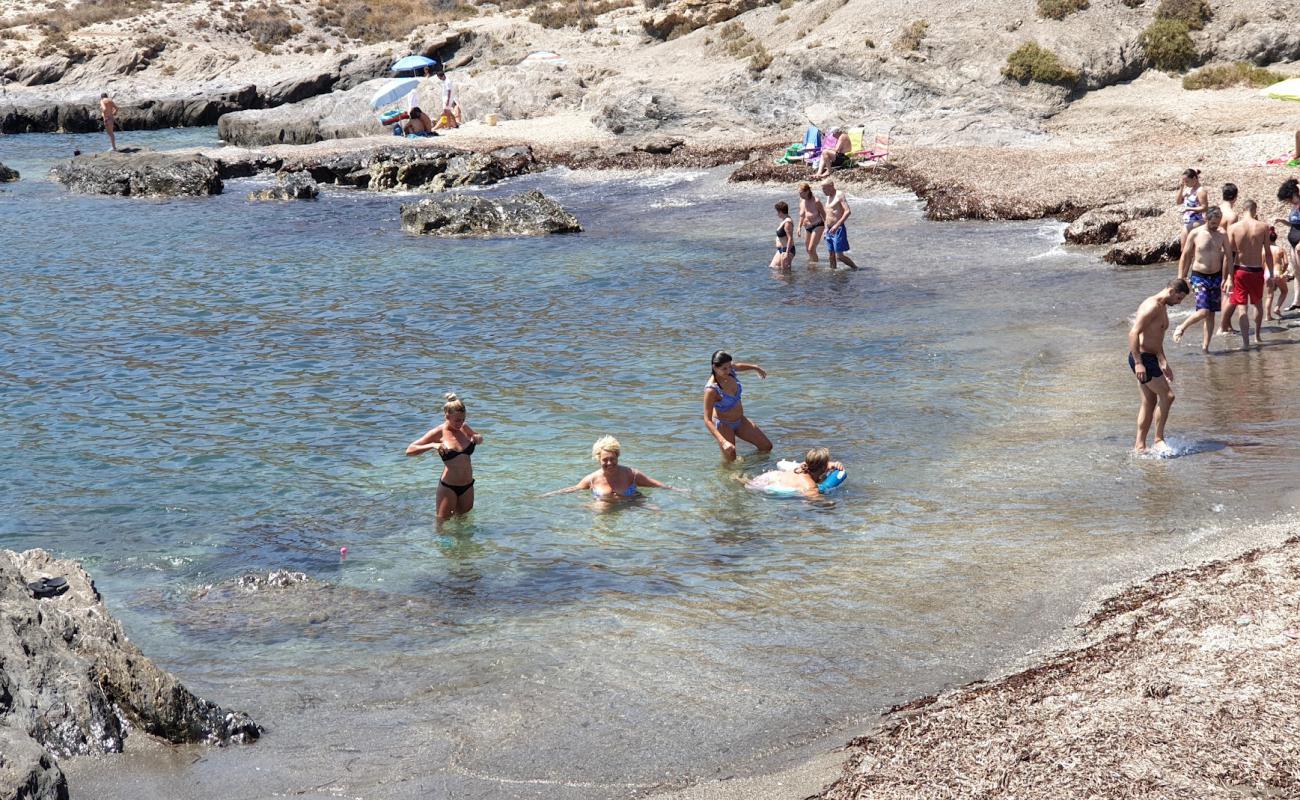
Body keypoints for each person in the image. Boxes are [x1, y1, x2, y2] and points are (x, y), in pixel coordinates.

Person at [1128, 278, 1189, 454]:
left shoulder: (1162, 307)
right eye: (1179, 299)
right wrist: (1139, 363)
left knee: (1149, 401)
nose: (1178, 303)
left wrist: (1163, 361)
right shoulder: (1152, 306)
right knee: (1168, 396)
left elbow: (1155, 338)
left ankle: (1140, 447)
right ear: (1171, 291)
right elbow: (1133, 333)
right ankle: (1158, 439)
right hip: (1143, 359)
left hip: (1151, 358)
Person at [405, 393, 483, 522]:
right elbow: (409, 450)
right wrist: (432, 445)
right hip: (449, 487)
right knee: (442, 524)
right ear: (447, 416)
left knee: (464, 522)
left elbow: (477, 437)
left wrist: (479, 438)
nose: (461, 423)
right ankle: (442, 543)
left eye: (463, 419)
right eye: (457, 420)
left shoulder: (464, 427)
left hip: (468, 485)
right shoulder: (439, 432)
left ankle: (463, 543)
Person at [542, 436, 681, 501]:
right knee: (600, 510)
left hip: (633, 504)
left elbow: (655, 484)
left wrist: (678, 490)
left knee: (657, 511)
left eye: (612, 459)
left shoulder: (632, 475)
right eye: (605, 460)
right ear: (598, 459)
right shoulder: (592, 480)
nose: (609, 463)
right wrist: (548, 495)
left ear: (618, 456)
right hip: (604, 509)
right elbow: (573, 489)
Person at [1173, 206, 1227, 353]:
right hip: (1199, 276)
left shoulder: (1222, 234)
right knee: (1203, 311)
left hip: (1216, 277)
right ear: (1206, 219)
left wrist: (1228, 278)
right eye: (1213, 223)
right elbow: (1185, 256)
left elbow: (1228, 256)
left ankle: (1205, 348)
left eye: (1218, 222)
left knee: (1211, 314)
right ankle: (1181, 327)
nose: (1216, 226)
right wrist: (1181, 277)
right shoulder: (1196, 233)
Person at [1224, 198, 1275, 349]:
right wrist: (1270, 275)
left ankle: (1246, 343)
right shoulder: (1264, 227)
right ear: (1255, 210)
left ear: (1243, 210)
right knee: (1258, 304)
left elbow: (1229, 255)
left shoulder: (1234, 228)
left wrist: (1227, 277)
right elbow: (1268, 253)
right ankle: (1258, 337)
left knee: (1242, 307)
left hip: (1240, 270)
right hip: (1257, 270)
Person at [703, 350, 773, 462]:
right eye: (724, 368)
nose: (729, 370)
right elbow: (707, 420)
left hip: (740, 421)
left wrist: (756, 367)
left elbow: (738, 366)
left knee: (766, 446)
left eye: (730, 366)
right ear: (715, 368)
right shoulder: (711, 390)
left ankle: (747, 464)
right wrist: (723, 441)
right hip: (724, 425)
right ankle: (731, 476)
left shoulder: (730, 371)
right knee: (731, 463)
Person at [745, 447, 844, 499]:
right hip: (766, 486)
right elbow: (812, 502)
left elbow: (820, 464)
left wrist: (835, 464)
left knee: (743, 481)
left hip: (769, 477)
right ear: (823, 467)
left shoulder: (802, 467)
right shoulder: (810, 485)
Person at [1274, 178, 1300, 311]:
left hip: (1299, 243)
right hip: (1293, 240)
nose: (1289, 201)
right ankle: (1296, 301)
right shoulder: (1294, 207)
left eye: (1290, 198)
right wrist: (1283, 221)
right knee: (1297, 272)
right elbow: (1294, 223)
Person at [821, 180, 859, 270]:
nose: (823, 191)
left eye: (825, 189)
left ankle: (856, 268)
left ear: (831, 186)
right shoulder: (828, 196)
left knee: (839, 256)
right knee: (831, 254)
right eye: (822, 189)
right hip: (829, 229)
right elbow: (828, 214)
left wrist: (837, 225)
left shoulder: (839, 195)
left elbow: (847, 211)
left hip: (838, 229)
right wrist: (826, 228)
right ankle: (833, 274)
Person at [1176, 168, 1207, 252]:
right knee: (1184, 250)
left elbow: (1205, 207)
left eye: (1187, 182)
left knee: (1187, 249)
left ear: (1194, 179)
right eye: (1184, 182)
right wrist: (1181, 187)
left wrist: (1188, 208)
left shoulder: (1200, 191)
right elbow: (1178, 202)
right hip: (1187, 221)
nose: (1186, 184)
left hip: (1198, 220)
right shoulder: (1188, 189)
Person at [797, 182, 825, 263]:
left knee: (811, 249)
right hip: (807, 227)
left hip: (818, 225)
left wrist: (826, 229)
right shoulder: (801, 200)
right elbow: (802, 215)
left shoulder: (816, 201)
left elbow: (824, 215)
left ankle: (815, 267)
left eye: (800, 192)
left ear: (807, 191)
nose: (799, 194)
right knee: (808, 250)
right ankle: (813, 265)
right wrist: (799, 227)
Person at [1268, 227, 1291, 319]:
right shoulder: (1280, 249)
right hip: (1277, 272)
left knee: (1269, 295)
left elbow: (1261, 263)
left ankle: (1267, 316)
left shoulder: (1263, 250)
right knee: (1284, 291)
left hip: (1267, 273)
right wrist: (1283, 271)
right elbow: (1286, 263)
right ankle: (1277, 308)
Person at [770, 201, 796, 269]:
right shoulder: (784, 220)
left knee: (784, 273)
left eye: (777, 212)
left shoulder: (787, 222)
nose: (777, 214)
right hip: (781, 249)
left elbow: (790, 238)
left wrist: (787, 253)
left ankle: (792, 279)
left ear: (781, 212)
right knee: (773, 267)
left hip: (787, 250)